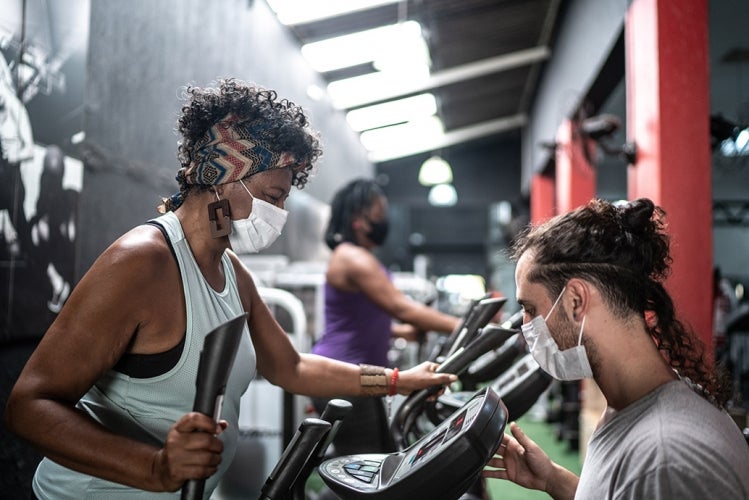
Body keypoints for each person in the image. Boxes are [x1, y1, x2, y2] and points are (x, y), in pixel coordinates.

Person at [3, 79, 457, 499]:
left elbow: (292, 367)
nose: (278, 213)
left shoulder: (232, 270)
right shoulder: (142, 261)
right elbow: (29, 404)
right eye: (273, 197)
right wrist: (157, 467)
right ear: (222, 176)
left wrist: (398, 382)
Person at [482, 198, 749, 499]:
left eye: (530, 309)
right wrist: (553, 481)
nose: (525, 324)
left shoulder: (666, 461)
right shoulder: (629, 408)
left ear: (575, 301)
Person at [311, 178, 460, 455]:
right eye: (379, 211)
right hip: (344, 374)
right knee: (364, 465)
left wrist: (402, 332)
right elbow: (401, 307)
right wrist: (462, 326)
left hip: (362, 375)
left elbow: (360, 319)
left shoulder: (358, 256)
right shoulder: (352, 258)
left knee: (379, 458)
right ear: (359, 219)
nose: (384, 218)